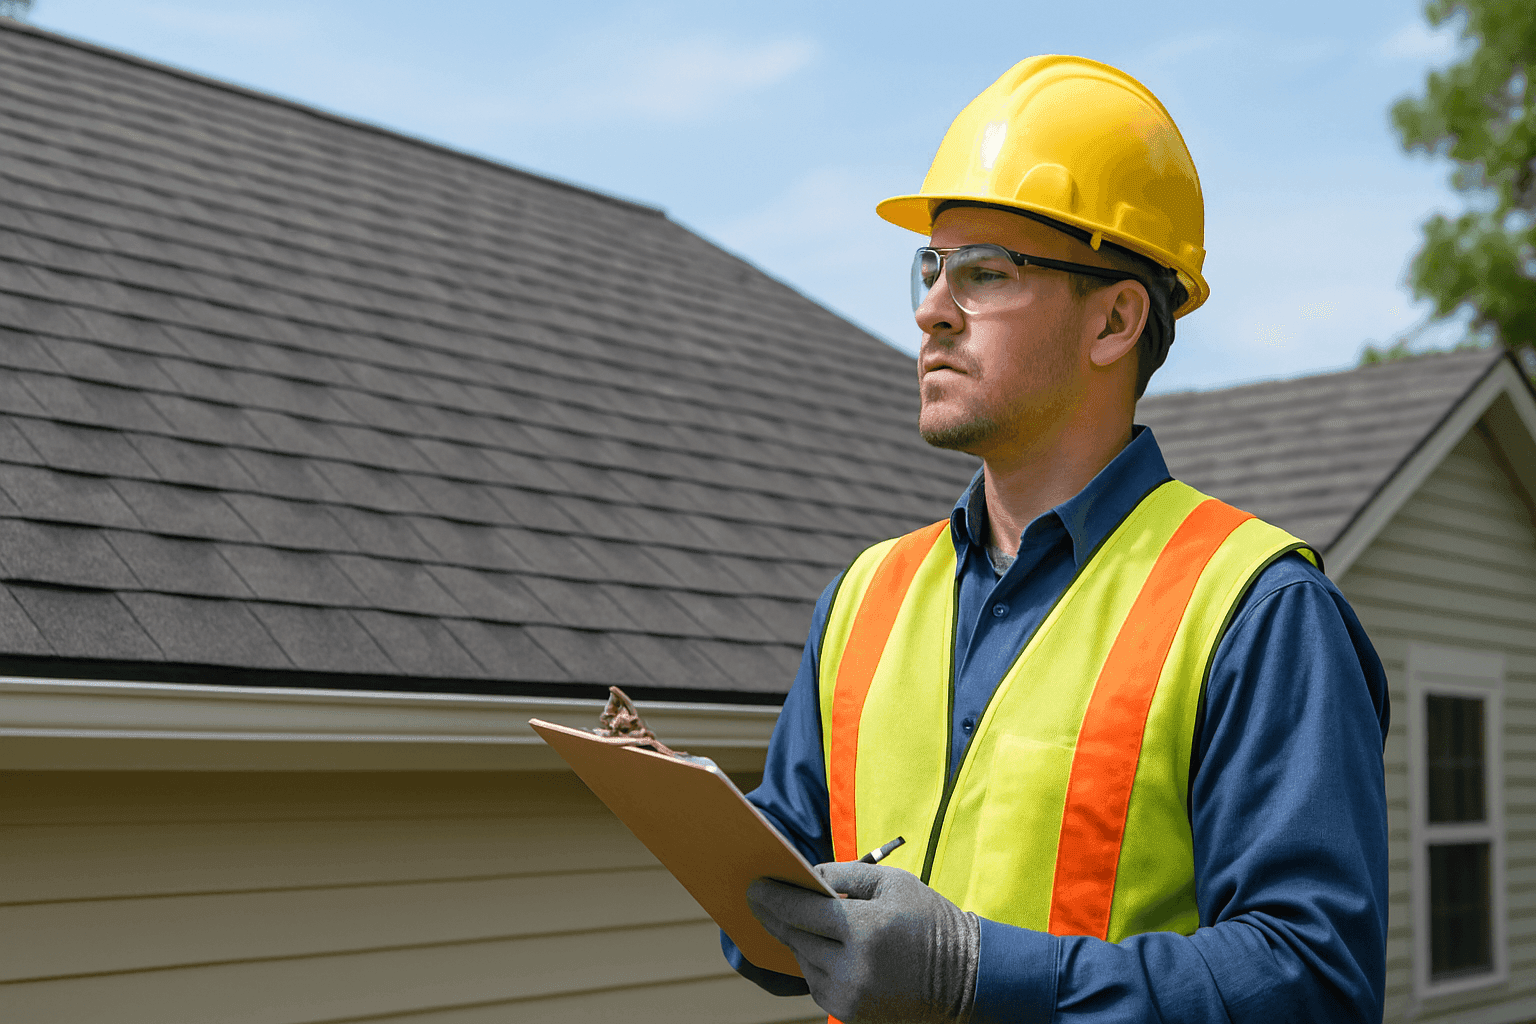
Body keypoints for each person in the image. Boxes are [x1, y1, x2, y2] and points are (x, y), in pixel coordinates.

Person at [722, 55, 1389, 1023]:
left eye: (985, 272)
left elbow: (1313, 983)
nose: (931, 308)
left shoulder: (1258, 611)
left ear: (1115, 318)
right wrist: (718, 853)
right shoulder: (864, 597)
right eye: (930, 265)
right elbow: (784, 905)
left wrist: (972, 972)